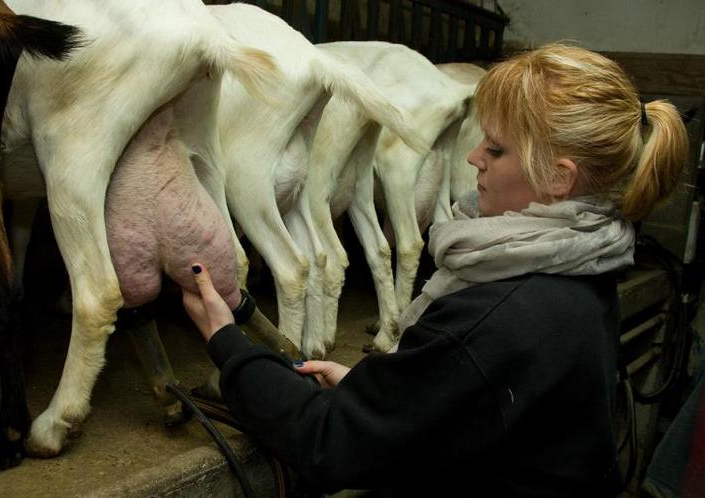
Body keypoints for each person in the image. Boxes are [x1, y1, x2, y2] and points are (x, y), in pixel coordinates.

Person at [182, 43, 689, 497]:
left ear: (558, 178)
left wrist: (228, 344)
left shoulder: (495, 316)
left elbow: (330, 444)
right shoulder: (584, 267)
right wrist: (383, 389)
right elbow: (461, 401)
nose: (472, 157)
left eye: (494, 148)